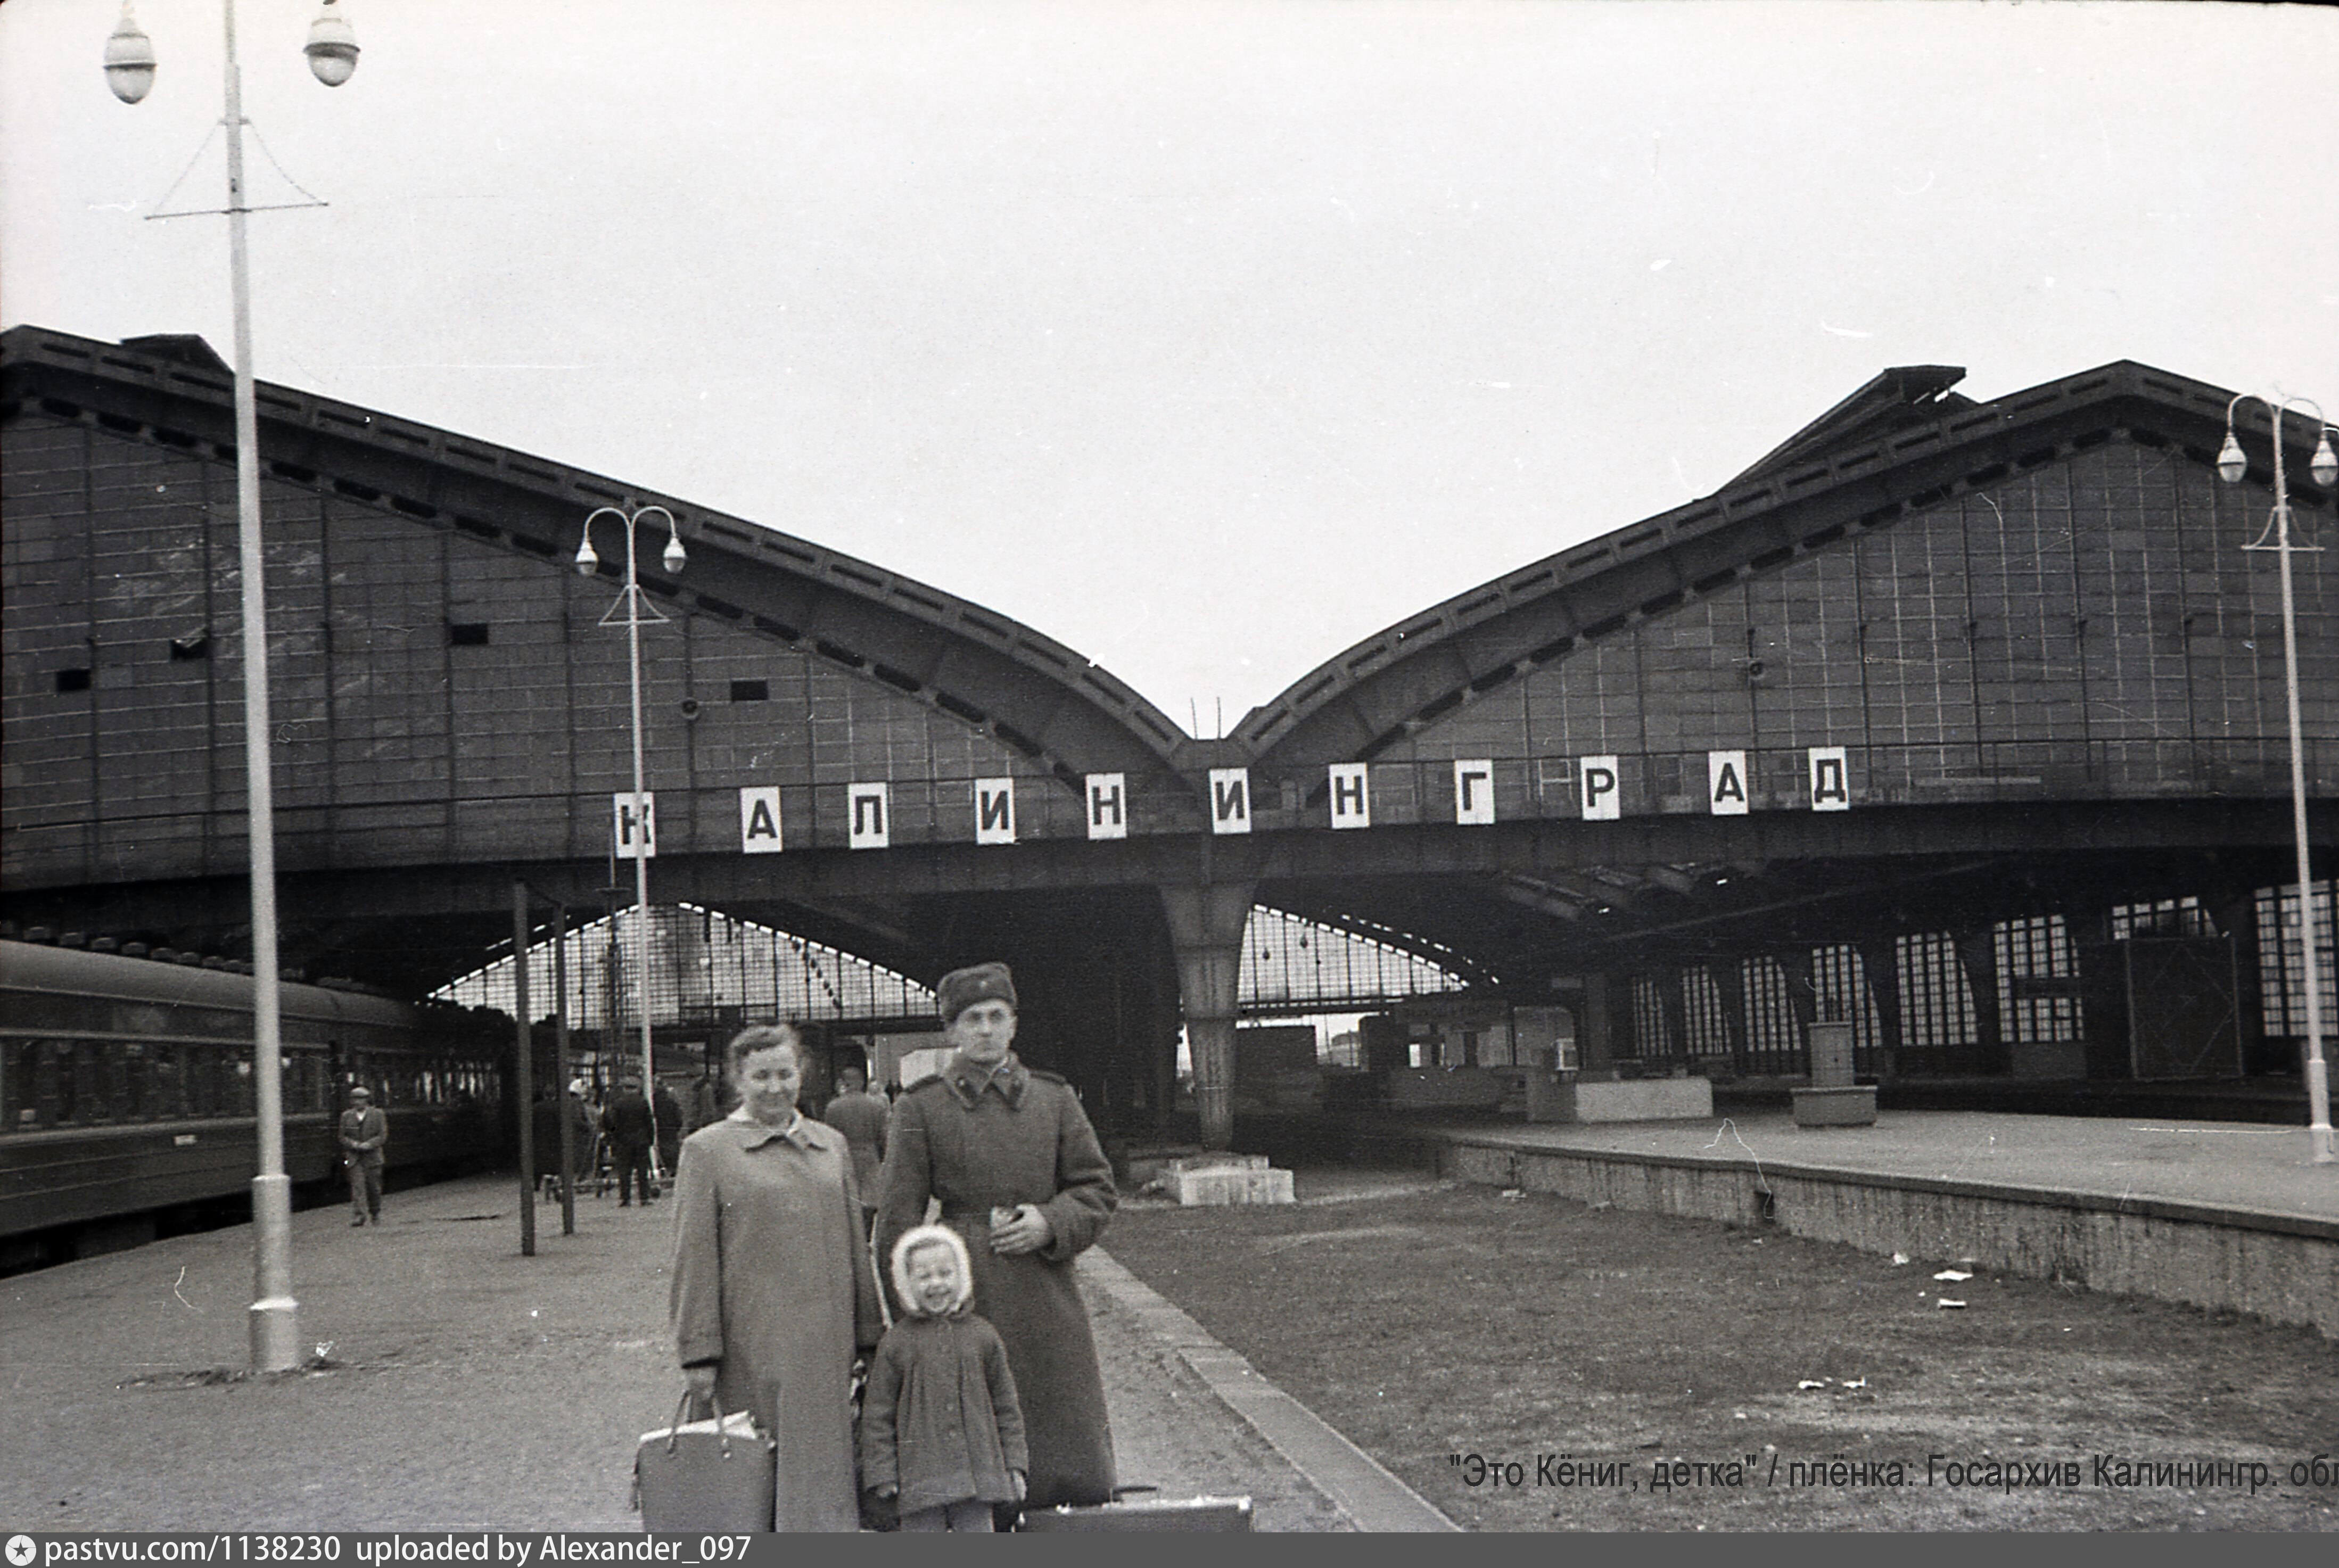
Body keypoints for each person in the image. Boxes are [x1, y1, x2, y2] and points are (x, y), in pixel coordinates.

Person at [873, 962, 1118, 1512]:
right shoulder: (921, 1106)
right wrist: (912, 1321)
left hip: (1045, 1293)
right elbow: (895, 1224)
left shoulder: (1055, 1100)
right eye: (971, 1019)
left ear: (1013, 1025)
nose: (984, 1029)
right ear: (951, 1031)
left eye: (995, 1017)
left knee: (1061, 1425)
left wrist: (1049, 1223)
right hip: (964, 1293)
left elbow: (1096, 1189)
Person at [670, 1024, 884, 1532]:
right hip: (751, 1351)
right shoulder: (707, 1152)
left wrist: (870, 1335)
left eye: (785, 1074)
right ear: (738, 1081)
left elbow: (857, 1246)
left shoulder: (830, 1145)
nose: (775, 1087)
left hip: (828, 1352)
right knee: (752, 1483)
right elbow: (692, 1257)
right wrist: (699, 1351)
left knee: (824, 1479)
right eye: (760, 1076)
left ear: (802, 1075)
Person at [860, 1224, 1027, 1533]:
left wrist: (1014, 1464)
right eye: (924, 1276)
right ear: (905, 1283)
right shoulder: (896, 1343)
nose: (936, 1284)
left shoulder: (983, 1336)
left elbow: (1006, 1407)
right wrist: (883, 1472)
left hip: (979, 1477)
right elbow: (878, 1415)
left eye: (945, 1273)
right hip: (920, 1480)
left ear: (961, 1276)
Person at [820, 1062, 888, 1235]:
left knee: (848, 1201)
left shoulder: (833, 1107)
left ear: (845, 1083)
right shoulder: (877, 1106)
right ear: (862, 1082)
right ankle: (866, 1239)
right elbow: (883, 1138)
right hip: (869, 1158)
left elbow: (828, 1139)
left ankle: (853, 1239)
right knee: (869, 1202)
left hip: (844, 1159)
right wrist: (880, 1157)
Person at [602, 1074, 657, 1205]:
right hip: (641, 1140)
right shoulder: (643, 1102)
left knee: (624, 1170)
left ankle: (625, 1198)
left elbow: (612, 1122)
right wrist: (651, 1139)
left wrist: (615, 1137)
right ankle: (644, 1197)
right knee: (642, 1170)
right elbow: (649, 1122)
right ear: (637, 1089)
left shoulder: (618, 1103)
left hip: (624, 1141)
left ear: (625, 1089)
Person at [338, 1084, 388, 1227]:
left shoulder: (378, 1114)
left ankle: (375, 1213)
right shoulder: (346, 1116)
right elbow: (342, 1136)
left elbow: (382, 1135)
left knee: (374, 1188)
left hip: (373, 1157)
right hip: (354, 1158)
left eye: (360, 1099)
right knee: (358, 1187)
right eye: (354, 1099)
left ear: (367, 1100)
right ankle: (359, 1216)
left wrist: (369, 1145)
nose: (356, 1102)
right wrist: (354, 1144)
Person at [652, 1076, 684, 1184]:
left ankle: (661, 1171)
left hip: (659, 1129)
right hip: (670, 1130)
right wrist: (677, 1127)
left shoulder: (652, 1103)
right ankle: (673, 1173)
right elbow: (679, 1117)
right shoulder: (671, 1102)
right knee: (672, 1151)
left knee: (659, 1152)